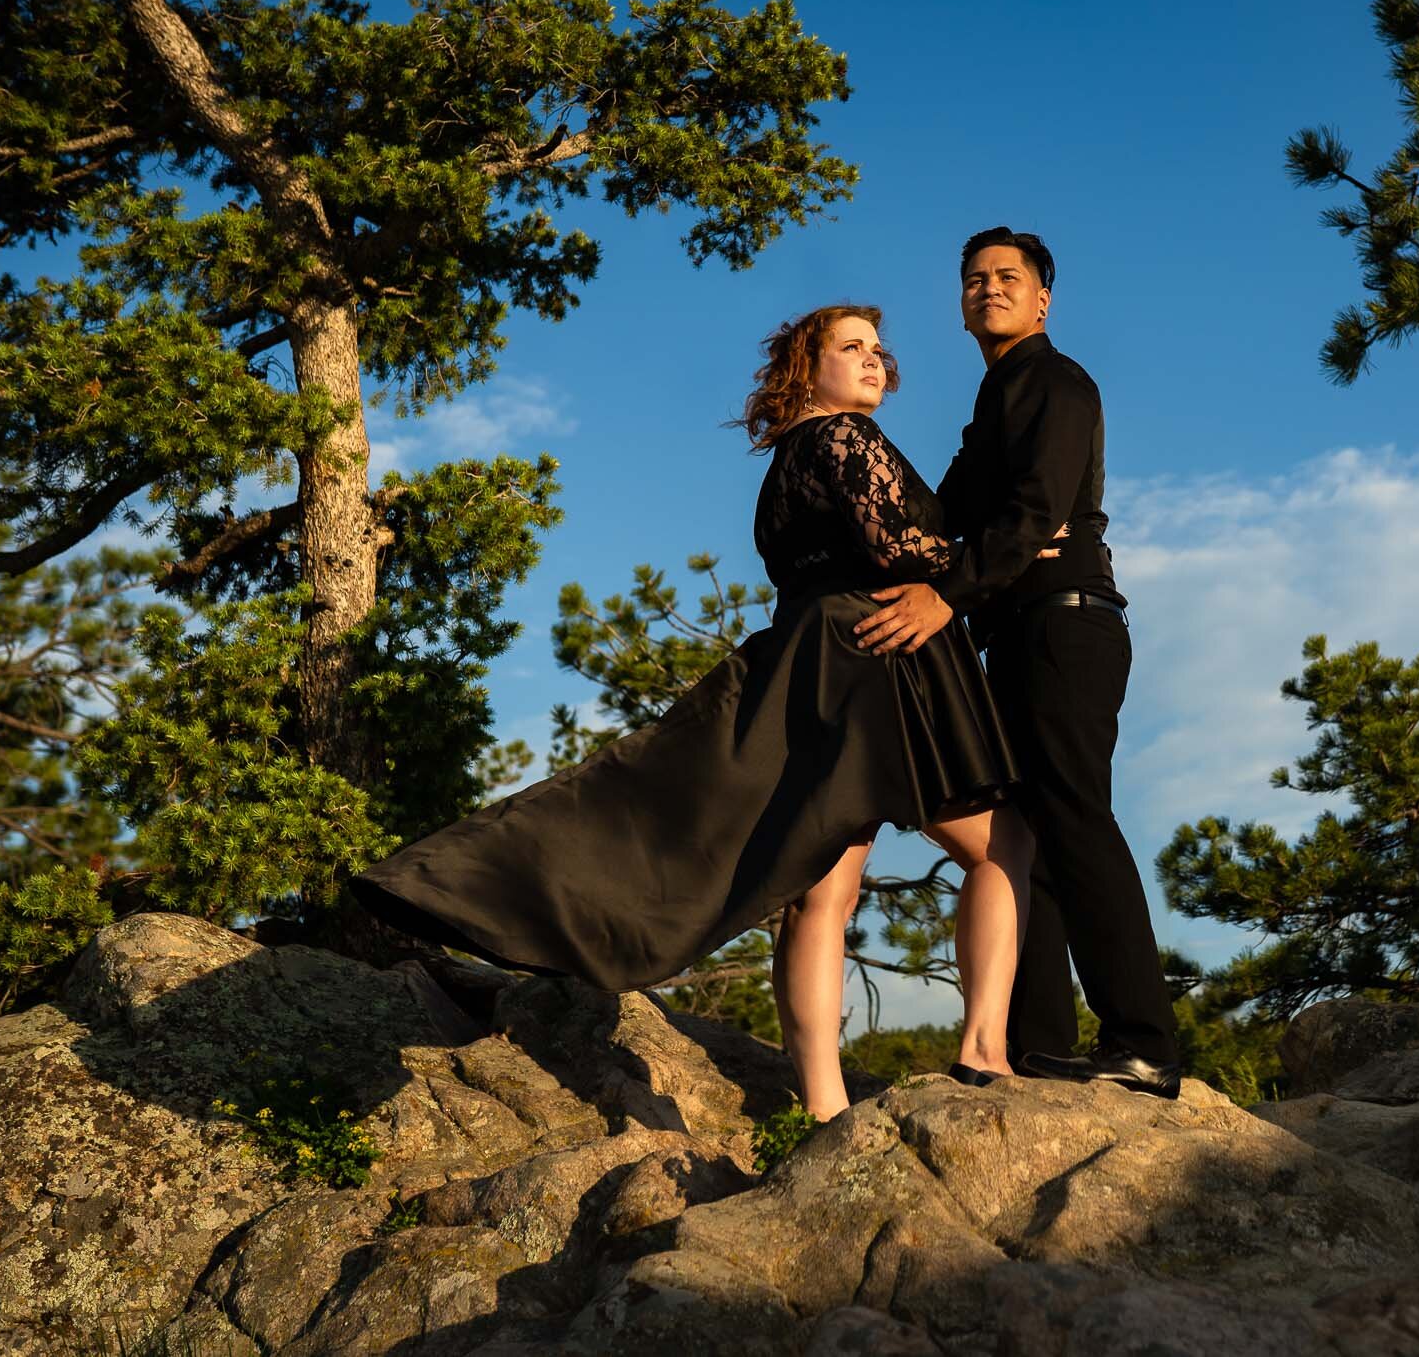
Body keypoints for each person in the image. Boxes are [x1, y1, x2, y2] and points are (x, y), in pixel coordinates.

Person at [354, 304, 1034, 1120]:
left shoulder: (788, 458)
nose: (874, 360)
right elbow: (902, 548)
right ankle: (984, 1049)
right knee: (1004, 845)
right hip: (882, 648)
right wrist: (1009, 551)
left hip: (822, 655)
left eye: (879, 349)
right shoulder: (844, 439)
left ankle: (821, 1105)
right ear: (804, 367)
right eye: (850, 347)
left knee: (825, 887)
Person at [853, 229, 1182, 1099]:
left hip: (1068, 626)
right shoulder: (996, 400)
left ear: (1042, 300)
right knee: (1020, 837)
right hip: (1018, 628)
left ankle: (1145, 1039)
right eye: (972, 279)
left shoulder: (1054, 381)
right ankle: (1037, 1047)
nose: (986, 289)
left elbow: (1035, 511)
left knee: (1073, 819)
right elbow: (937, 516)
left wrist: (946, 594)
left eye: (1007, 277)